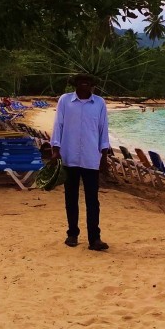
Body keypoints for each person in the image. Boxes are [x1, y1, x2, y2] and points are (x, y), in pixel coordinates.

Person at [51, 74, 112, 251]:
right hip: (69, 157)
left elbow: (103, 129)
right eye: (81, 81)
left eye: (88, 82)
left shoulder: (99, 103)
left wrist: (104, 157)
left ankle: (95, 239)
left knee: (93, 200)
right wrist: (55, 150)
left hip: (91, 158)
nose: (85, 84)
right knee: (71, 198)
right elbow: (58, 125)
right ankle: (72, 234)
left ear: (92, 85)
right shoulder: (65, 101)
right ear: (75, 84)